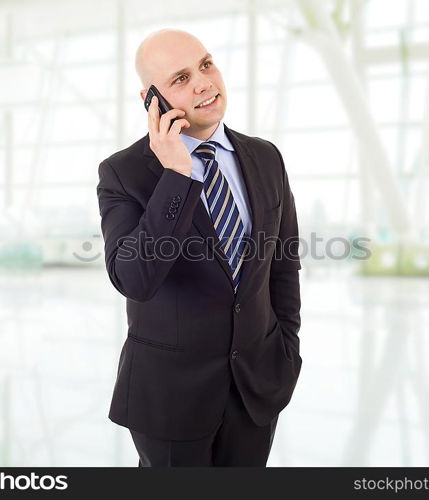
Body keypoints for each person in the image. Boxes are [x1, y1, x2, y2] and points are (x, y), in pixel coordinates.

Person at [96, 29, 302, 466]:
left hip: (255, 390)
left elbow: (282, 265)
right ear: (152, 100)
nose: (204, 83)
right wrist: (177, 175)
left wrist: (287, 351)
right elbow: (134, 278)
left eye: (206, 65)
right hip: (170, 399)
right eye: (181, 78)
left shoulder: (266, 157)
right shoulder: (123, 173)